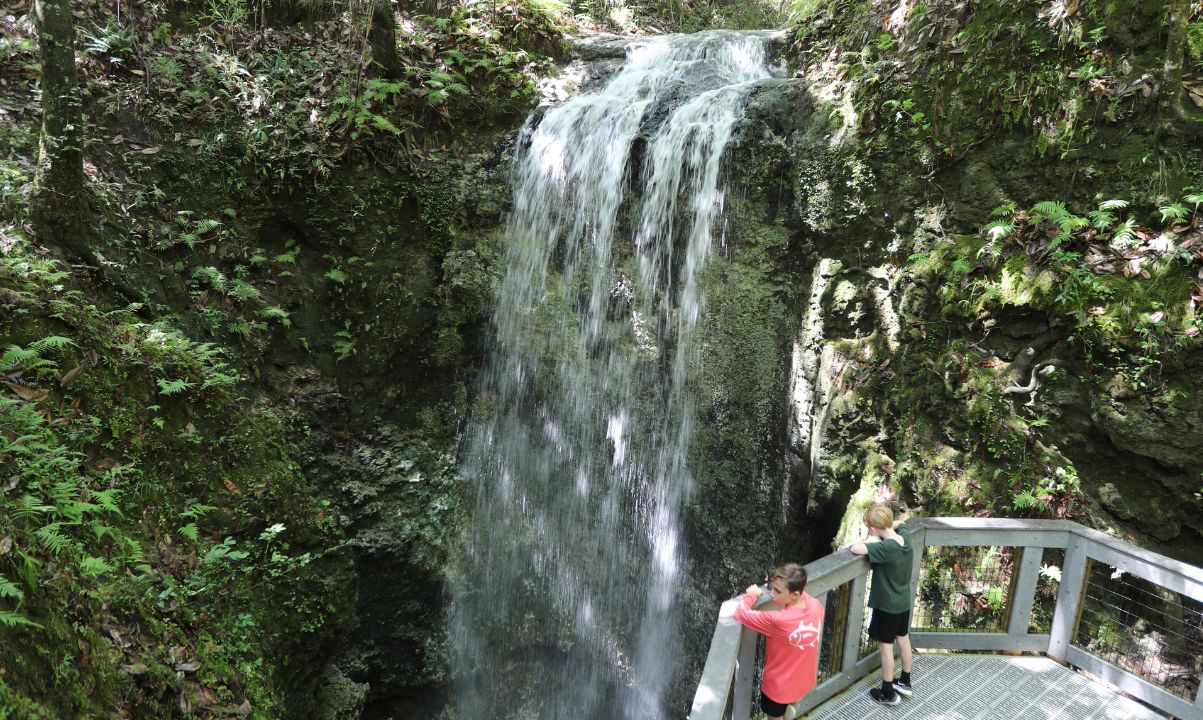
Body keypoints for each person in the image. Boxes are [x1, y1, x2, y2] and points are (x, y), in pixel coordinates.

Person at [733, 563, 825, 720]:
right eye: (771, 588)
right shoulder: (815, 606)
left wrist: (751, 595)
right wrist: (777, 582)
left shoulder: (778, 620)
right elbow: (803, 594)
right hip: (802, 681)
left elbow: (741, 613)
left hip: (777, 688)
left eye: (777, 591)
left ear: (794, 595)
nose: (771, 594)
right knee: (787, 707)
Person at [850, 504, 914, 705]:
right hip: (903, 602)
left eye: (870, 526)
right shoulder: (905, 539)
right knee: (903, 639)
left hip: (887, 606)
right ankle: (905, 681)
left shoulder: (886, 548)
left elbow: (856, 548)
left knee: (886, 646)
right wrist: (884, 526)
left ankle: (887, 692)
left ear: (874, 528)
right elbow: (901, 523)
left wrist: (870, 537)